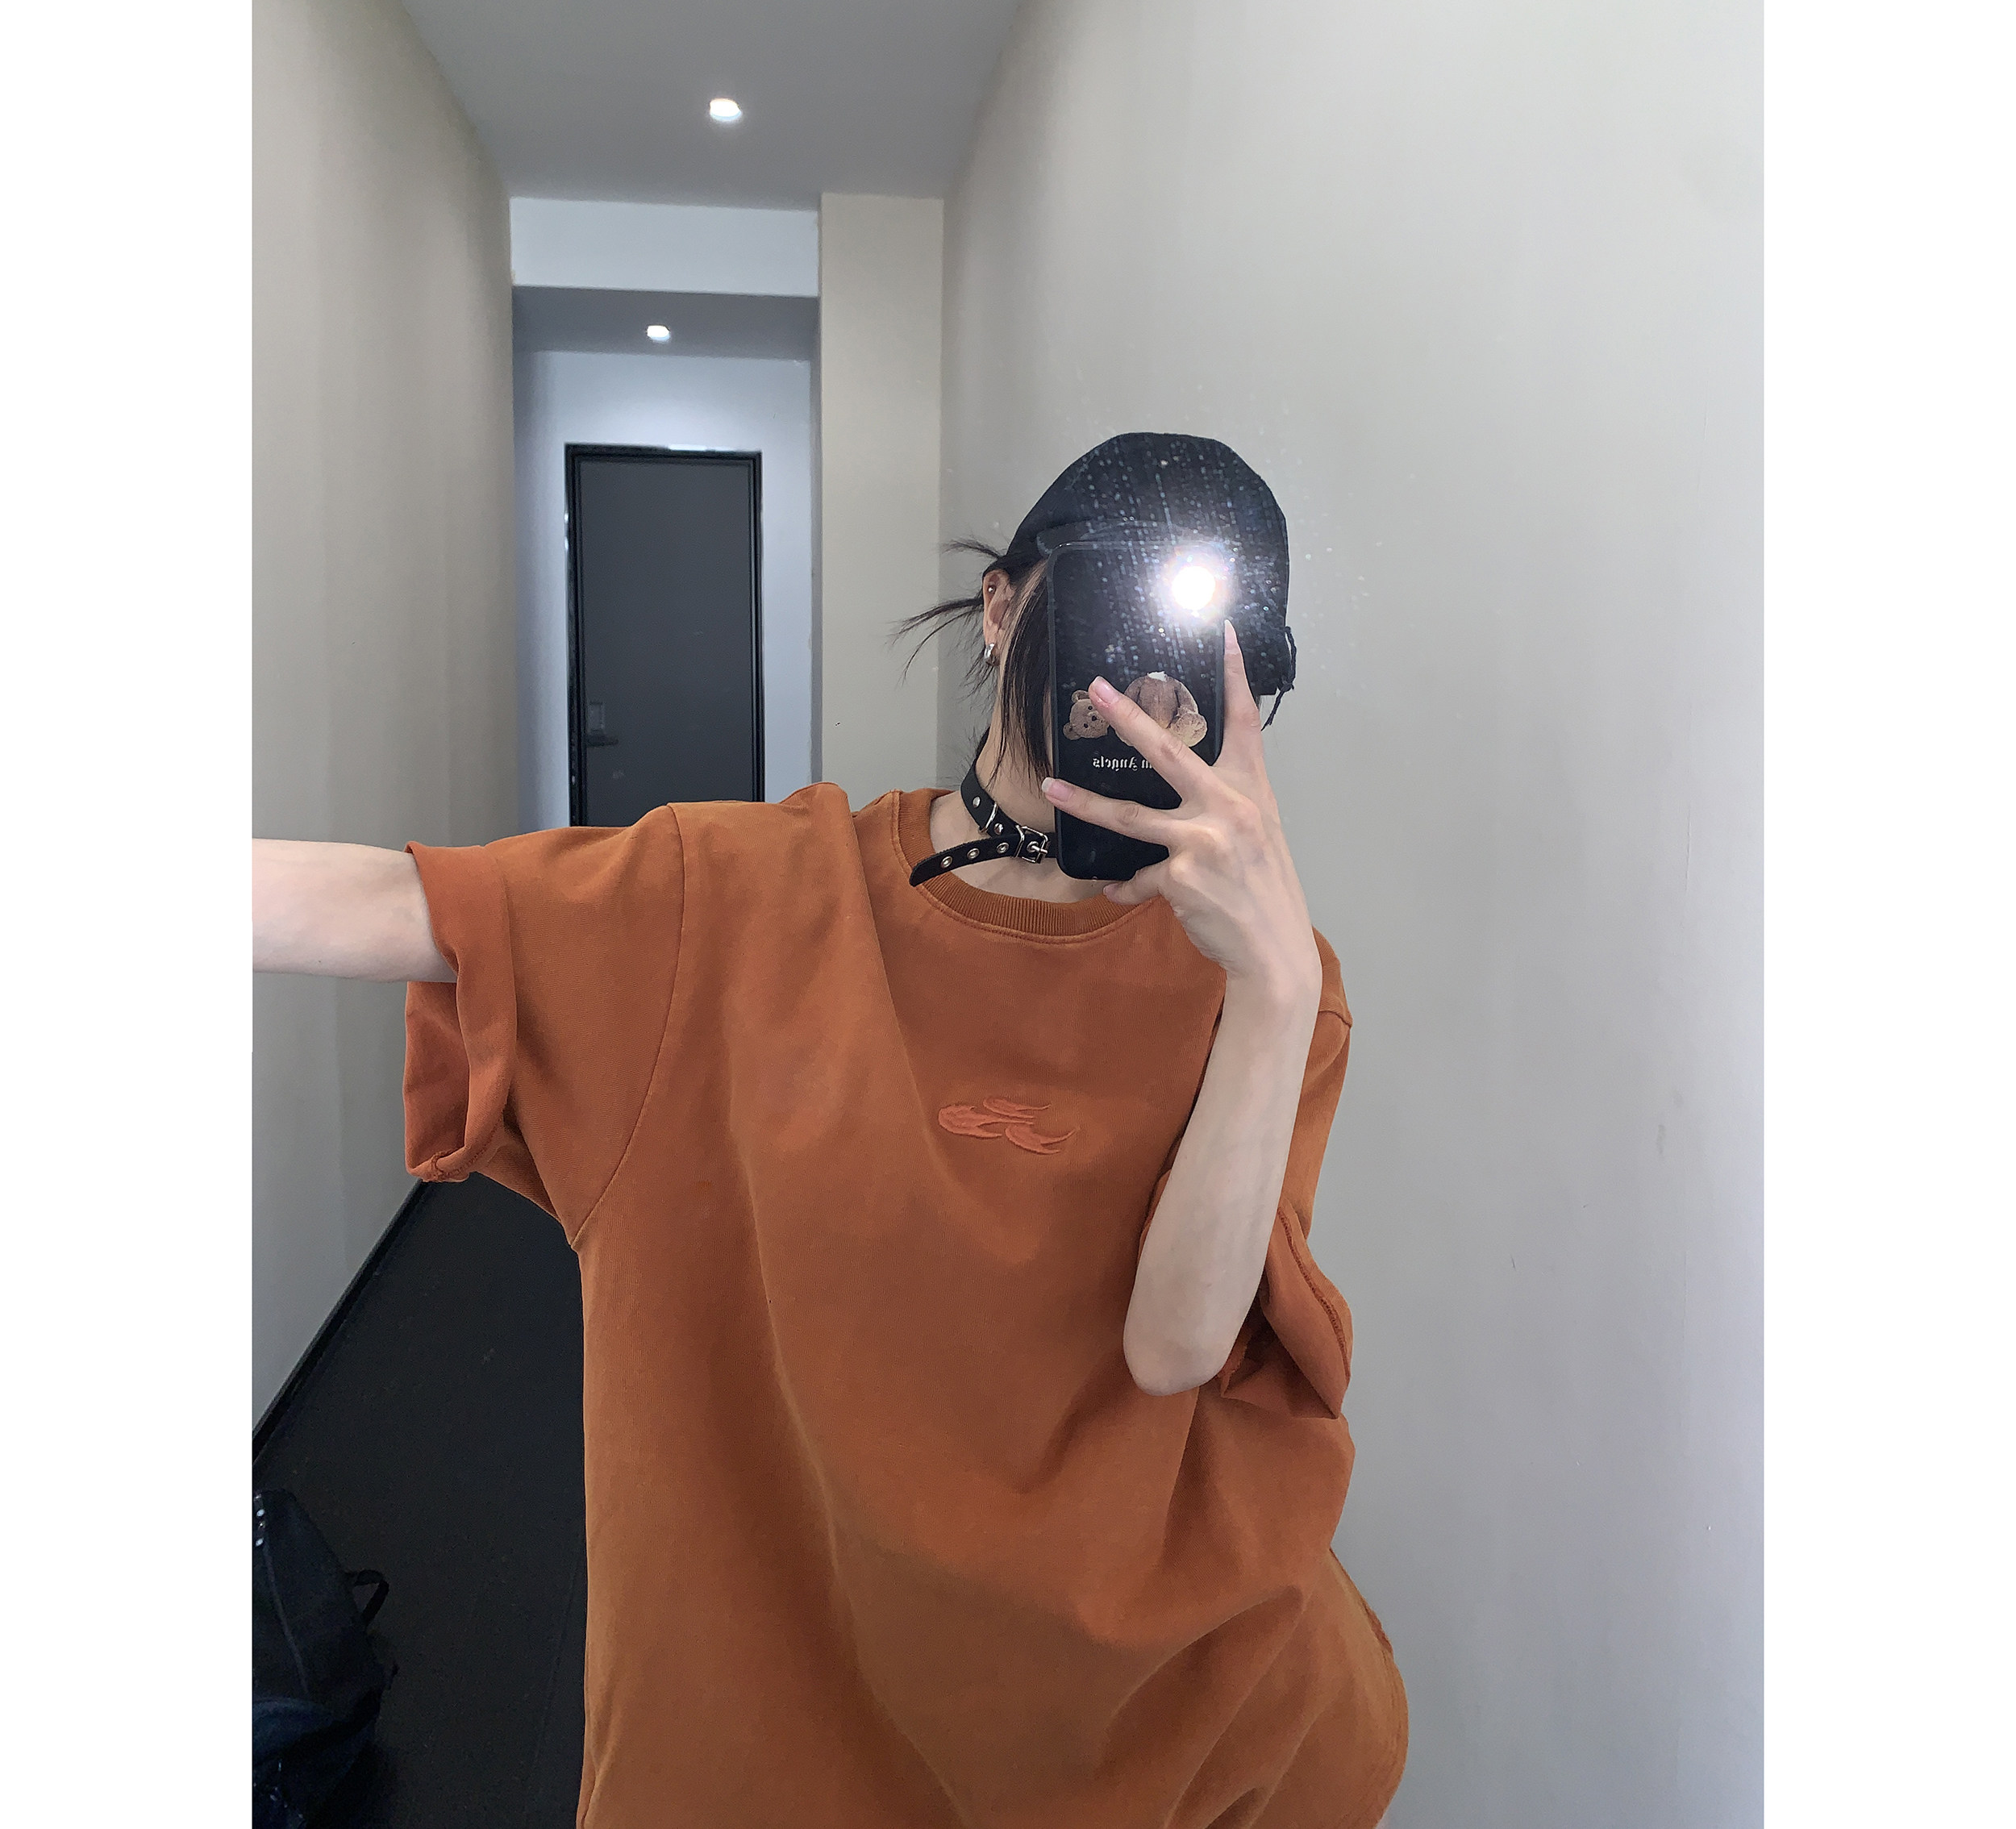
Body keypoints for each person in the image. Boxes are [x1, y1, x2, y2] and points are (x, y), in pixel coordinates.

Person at [253, 432, 1408, 1829]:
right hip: (782, 1733)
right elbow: (400, 907)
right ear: (1003, 608)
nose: (1149, 700)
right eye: (1118, 629)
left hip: (1168, 1740)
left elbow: (1175, 1350)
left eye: (1213, 667)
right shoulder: (742, 901)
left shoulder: (1268, 981)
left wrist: (1273, 991)